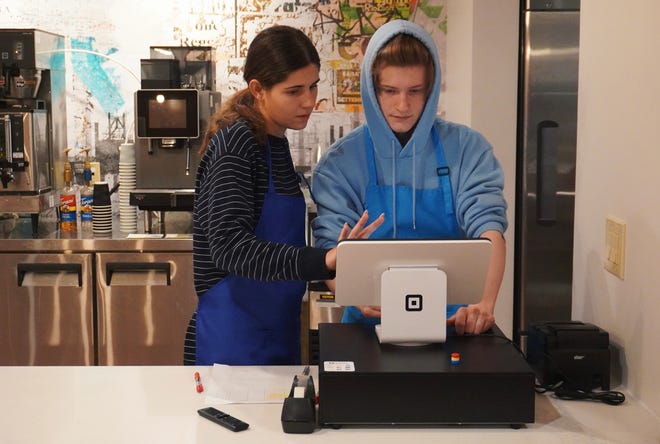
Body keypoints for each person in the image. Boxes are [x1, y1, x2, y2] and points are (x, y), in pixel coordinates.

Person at [188, 25, 383, 366]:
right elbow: (230, 248)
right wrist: (323, 261)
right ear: (258, 89)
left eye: (313, 86)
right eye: (294, 91)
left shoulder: (272, 141)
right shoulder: (237, 144)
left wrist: (338, 261)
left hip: (275, 333)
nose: (309, 100)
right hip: (232, 343)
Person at [311, 20, 507, 335]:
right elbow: (331, 250)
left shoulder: (468, 149)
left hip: (454, 325)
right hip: (369, 328)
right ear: (371, 89)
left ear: (430, 90)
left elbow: (489, 230)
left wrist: (483, 305)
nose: (403, 105)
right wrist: (354, 294)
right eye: (390, 91)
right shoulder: (341, 163)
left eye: (415, 91)